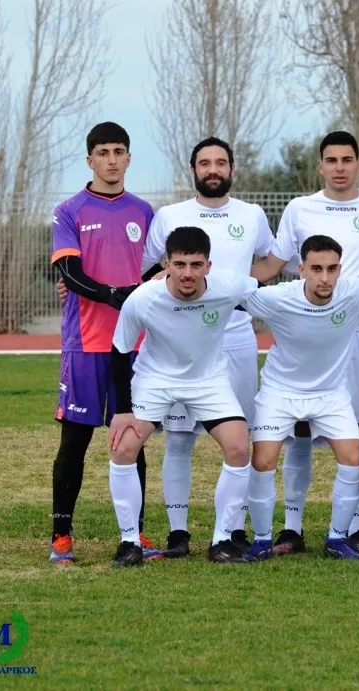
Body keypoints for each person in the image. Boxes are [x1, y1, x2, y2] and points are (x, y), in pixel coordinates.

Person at [251, 131, 359, 555]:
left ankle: (355, 527)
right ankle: (292, 528)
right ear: (320, 166)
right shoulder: (300, 208)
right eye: (331, 160)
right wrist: (216, 281)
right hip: (312, 331)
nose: (339, 167)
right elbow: (274, 265)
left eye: (347, 160)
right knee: (298, 431)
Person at [141, 136, 280, 559]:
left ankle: (231, 530)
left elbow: (272, 260)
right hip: (183, 344)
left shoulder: (251, 215)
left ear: (232, 169)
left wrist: (239, 287)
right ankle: (178, 533)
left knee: (240, 439)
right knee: (179, 440)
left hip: (236, 337)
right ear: (194, 170)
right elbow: (146, 269)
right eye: (205, 163)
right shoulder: (170, 216)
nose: (213, 169)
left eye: (221, 162)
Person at [108, 226, 259, 566]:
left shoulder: (229, 286)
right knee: (123, 448)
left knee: (238, 447)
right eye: (179, 264)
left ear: (208, 265)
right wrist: (121, 410)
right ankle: (129, 543)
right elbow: (119, 351)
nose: (187, 273)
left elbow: (270, 295)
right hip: (155, 379)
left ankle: (222, 541)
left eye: (195, 264)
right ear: (166, 265)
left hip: (208, 380)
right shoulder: (144, 298)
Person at [49, 121, 159, 565]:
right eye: (103, 153)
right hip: (86, 343)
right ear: (90, 160)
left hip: (134, 346)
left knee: (133, 439)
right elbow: (69, 273)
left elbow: (156, 270)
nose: (111, 160)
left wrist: (136, 292)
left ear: (129, 158)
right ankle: (61, 536)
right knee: (74, 442)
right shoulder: (69, 210)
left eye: (118, 152)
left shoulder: (144, 212)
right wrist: (112, 294)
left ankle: (136, 534)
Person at [241, 234, 359, 561]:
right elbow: (230, 291)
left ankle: (337, 538)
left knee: (353, 459)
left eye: (332, 269)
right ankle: (261, 540)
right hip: (280, 392)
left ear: (340, 270)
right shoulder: (277, 298)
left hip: (330, 394)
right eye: (316, 269)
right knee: (262, 462)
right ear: (301, 269)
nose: (325, 277)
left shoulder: (356, 291)